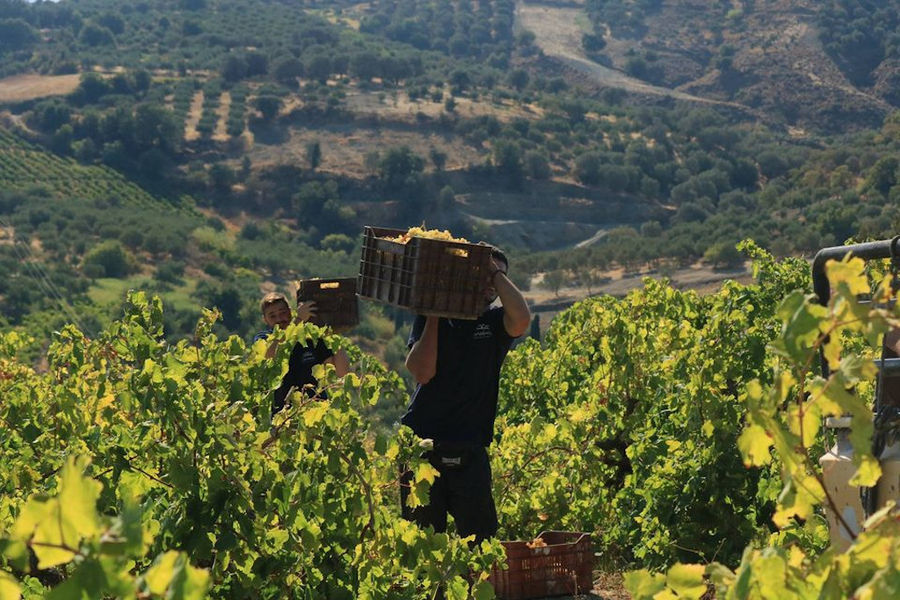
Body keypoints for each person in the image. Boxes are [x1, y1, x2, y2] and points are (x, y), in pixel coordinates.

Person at [400, 247, 531, 543]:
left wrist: (494, 272)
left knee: (480, 541)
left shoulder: (495, 322)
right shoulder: (429, 316)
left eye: (497, 278)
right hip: (422, 443)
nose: (490, 283)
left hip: (471, 445)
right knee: (421, 541)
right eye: (482, 274)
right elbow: (422, 372)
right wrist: (435, 313)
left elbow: (522, 319)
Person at [254, 292, 350, 414]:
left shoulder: (309, 338)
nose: (279, 319)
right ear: (265, 320)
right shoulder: (264, 338)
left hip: (315, 412)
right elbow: (270, 354)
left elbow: (343, 373)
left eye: (283, 312)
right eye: (272, 316)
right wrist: (298, 320)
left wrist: (334, 335)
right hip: (283, 416)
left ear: (290, 311)